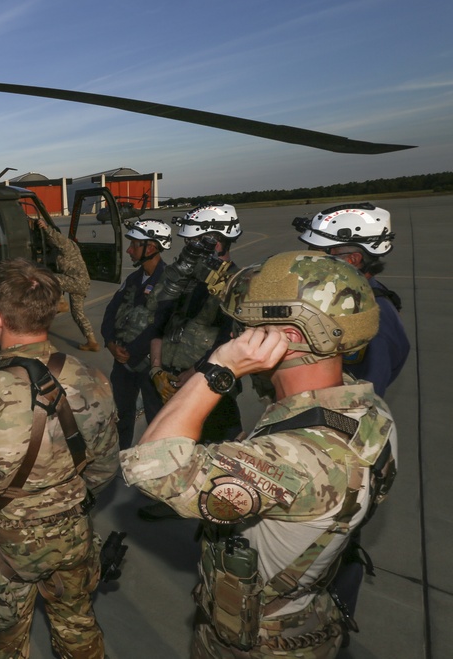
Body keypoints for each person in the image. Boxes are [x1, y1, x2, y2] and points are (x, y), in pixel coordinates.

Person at [120, 251, 396, 658]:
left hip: (255, 643)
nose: (236, 333)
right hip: (306, 614)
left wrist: (218, 369)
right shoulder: (364, 409)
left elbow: (151, 467)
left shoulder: (297, 457)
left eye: (248, 323)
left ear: (290, 336)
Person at [0, 258, 119, 658]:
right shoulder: (93, 379)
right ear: (51, 311)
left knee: (2, 648)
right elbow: (104, 468)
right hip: (73, 538)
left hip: (5, 551)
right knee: (78, 628)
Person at [294, 203, 410, 640]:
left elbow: (363, 396)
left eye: (322, 254)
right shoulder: (347, 306)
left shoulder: (374, 318)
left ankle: (328, 629)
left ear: (353, 259)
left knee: (335, 549)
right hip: (317, 437)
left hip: (340, 452)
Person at [139, 204, 244, 521]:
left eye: (193, 243)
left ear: (217, 242)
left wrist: (194, 376)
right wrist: (157, 368)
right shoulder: (185, 278)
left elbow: (233, 342)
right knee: (172, 445)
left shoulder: (237, 285)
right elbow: (157, 321)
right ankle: (171, 496)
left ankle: (221, 506)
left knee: (217, 448)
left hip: (208, 386)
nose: (187, 250)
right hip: (168, 378)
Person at [294, 203, 410, 398]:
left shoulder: (371, 322)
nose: (309, 259)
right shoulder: (352, 296)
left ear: (352, 260)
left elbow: (362, 400)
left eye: (318, 251)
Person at [101, 218, 171, 449]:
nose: (129, 250)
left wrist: (131, 353)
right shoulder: (133, 279)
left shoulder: (170, 282)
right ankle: (119, 458)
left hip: (149, 366)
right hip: (123, 364)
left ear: (150, 248)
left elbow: (162, 325)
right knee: (121, 414)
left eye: (134, 244)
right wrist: (110, 342)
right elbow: (111, 312)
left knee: (157, 418)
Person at [36, 217, 99, 351]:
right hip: (80, 283)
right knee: (78, 314)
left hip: (76, 281)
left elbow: (57, 238)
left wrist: (46, 227)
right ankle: (92, 342)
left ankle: (62, 303)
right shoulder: (61, 253)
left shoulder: (66, 245)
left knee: (50, 278)